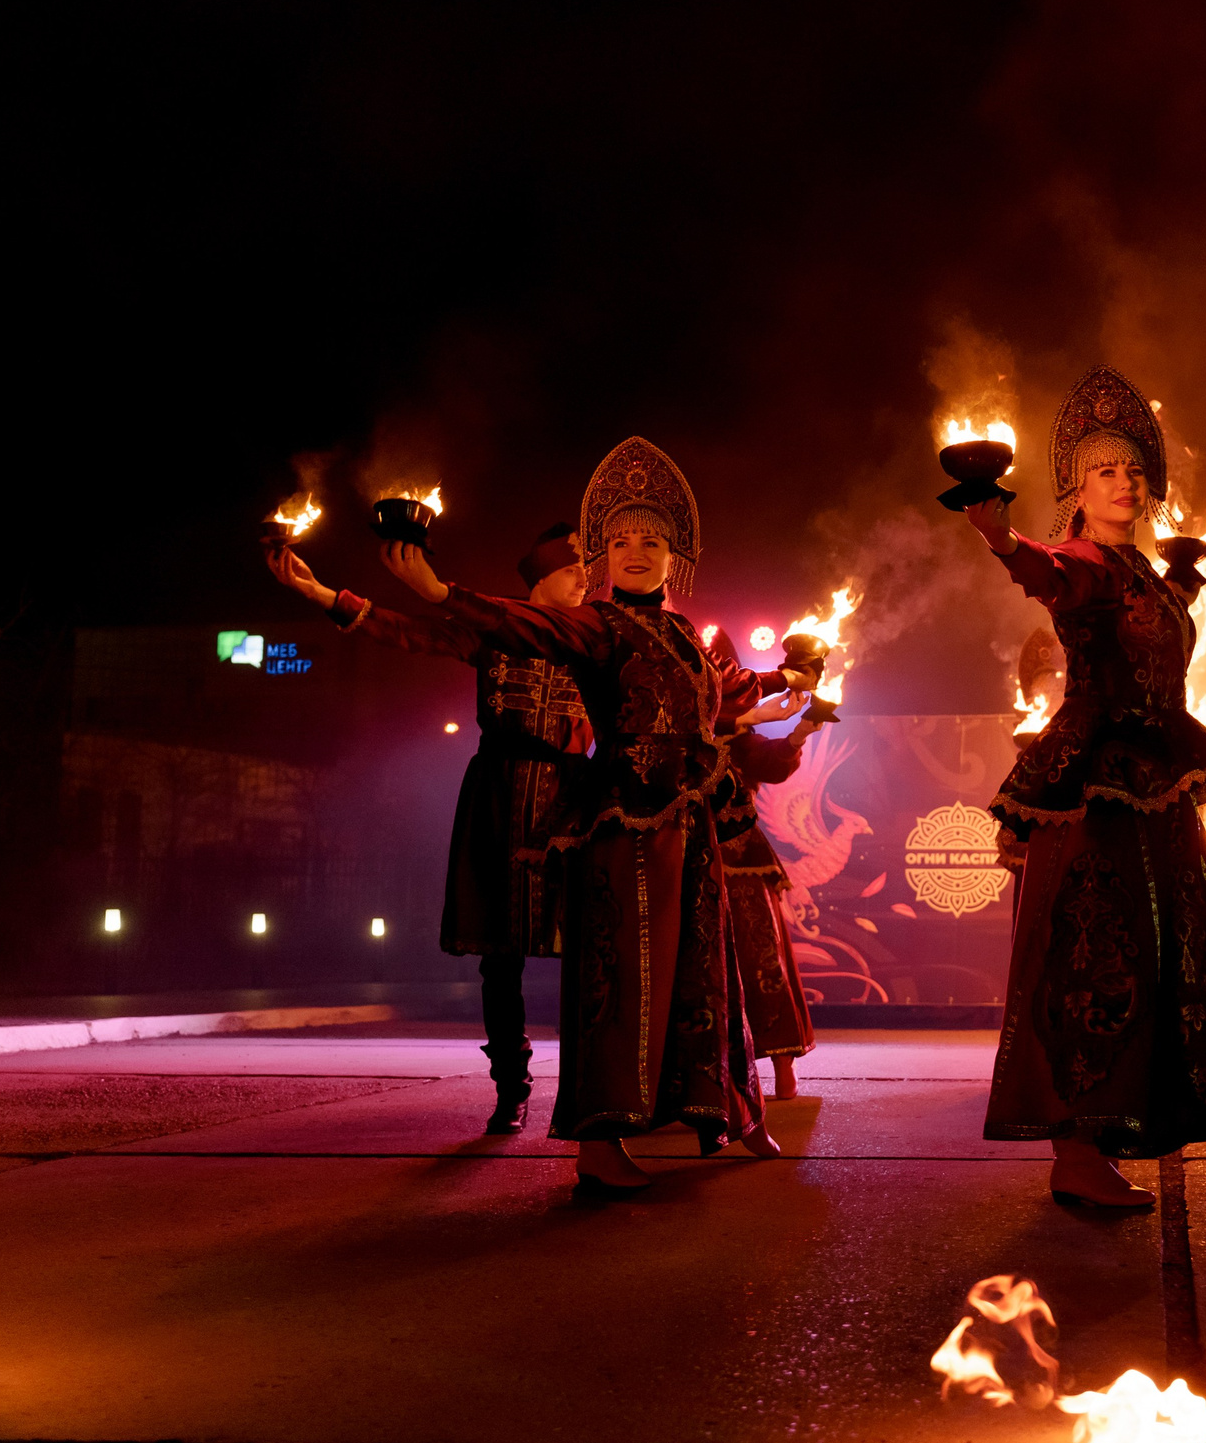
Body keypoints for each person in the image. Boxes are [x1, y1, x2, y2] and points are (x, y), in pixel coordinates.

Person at [375, 437, 816, 1192]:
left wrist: (795, 685)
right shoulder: (597, 626)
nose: (635, 551)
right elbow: (522, 625)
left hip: (693, 826)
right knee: (622, 979)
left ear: (675, 554)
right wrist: (442, 594)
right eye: (619, 541)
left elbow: (731, 694)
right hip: (622, 827)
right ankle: (600, 1147)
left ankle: (728, 1110)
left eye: (650, 540)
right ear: (603, 558)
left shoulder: (685, 637)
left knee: (704, 973)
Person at [960, 366, 1206, 1209]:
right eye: (1106, 471)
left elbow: (1155, 631)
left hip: (1156, 786)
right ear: (1076, 488)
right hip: (1098, 784)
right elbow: (1051, 574)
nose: (1125, 483)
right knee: (1090, 957)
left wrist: (1184, 584)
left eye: (1134, 470)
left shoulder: (1140, 569)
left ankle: (1114, 1130)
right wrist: (1000, 538)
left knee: (1167, 955)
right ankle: (1072, 1148)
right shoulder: (1086, 559)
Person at [268, 523, 590, 1134]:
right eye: (573, 571)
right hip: (497, 799)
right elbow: (411, 633)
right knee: (500, 959)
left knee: (583, 953)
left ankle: (587, 1086)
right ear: (542, 579)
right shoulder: (493, 632)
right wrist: (323, 596)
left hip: (571, 803)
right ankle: (511, 1088)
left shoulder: (594, 637)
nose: (584, 580)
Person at [700, 627, 827, 1101]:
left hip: (744, 860)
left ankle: (783, 1067)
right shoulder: (690, 732)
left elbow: (769, 765)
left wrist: (798, 733)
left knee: (763, 961)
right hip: (693, 857)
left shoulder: (741, 735)